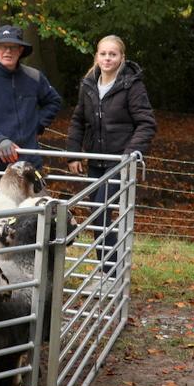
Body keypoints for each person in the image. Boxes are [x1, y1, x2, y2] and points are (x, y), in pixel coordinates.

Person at [65, 34, 157, 273]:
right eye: (103, 53)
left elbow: (146, 123)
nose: (107, 58)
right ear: (97, 56)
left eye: (112, 54)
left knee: (100, 209)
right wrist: (73, 154)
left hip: (119, 162)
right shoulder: (89, 84)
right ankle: (108, 269)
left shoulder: (131, 85)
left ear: (122, 58)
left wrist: (129, 155)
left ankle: (111, 272)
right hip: (96, 160)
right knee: (97, 214)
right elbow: (78, 120)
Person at [0, 24, 62, 193]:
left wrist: (37, 125)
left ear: (21, 50)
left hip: (29, 165)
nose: (8, 51)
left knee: (37, 216)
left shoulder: (34, 77)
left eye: (13, 47)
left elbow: (54, 101)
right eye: (3, 46)